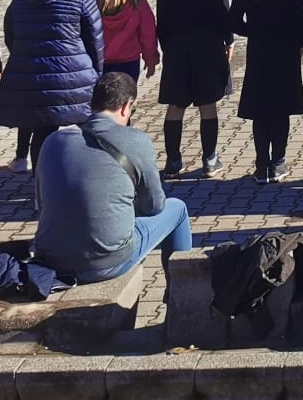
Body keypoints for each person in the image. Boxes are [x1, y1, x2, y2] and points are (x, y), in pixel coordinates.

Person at [32, 72, 192, 284]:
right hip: (105, 262)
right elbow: (155, 205)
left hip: (50, 258)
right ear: (127, 106)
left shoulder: (54, 141)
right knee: (178, 209)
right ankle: (181, 292)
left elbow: (43, 205)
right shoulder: (136, 140)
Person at [0, 0, 104, 175]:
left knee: (42, 133)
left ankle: (42, 189)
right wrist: (96, 72)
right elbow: (95, 38)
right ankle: (87, 183)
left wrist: (25, 57)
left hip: (32, 76)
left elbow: (10, 34)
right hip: (75, 75)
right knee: (88, 129)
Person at [229, 0, 303, 182]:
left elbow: (231, 20)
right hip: (284, 55)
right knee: (280, 111)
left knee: (261, 111)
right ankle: (278, 163)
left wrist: (251, 31)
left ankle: (261, 164)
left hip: (259, 54)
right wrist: (297, 45)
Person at [154, 0, 232, 178]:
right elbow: (223, 13)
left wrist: (167, 47)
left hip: (177, 46)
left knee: (176, 105)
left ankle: (174, 160)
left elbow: (161, 19)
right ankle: (210, 159)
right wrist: (228, 40)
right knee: (207, 104)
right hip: (208, 45)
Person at [98, 0, 159, 80]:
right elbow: (148, 36)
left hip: (101, 63)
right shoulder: (138, 5)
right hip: (129, 63)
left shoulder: (95, 4)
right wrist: (151, 59)